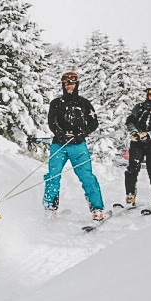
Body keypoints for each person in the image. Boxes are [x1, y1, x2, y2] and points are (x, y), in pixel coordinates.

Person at [43, 71, 105, 221]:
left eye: (72, 83)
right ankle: (50, 208)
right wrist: (60, 134)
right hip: (59, 144)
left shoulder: (84, 103)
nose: (69, 85)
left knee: (87, 177)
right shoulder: (56, 103)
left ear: (76, 84)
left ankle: (97, 208)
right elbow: (52, 121)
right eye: (66, 83)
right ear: (63, 85)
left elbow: (94, 122)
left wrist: (81, 133)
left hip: (78, 146)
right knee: (53, 176)